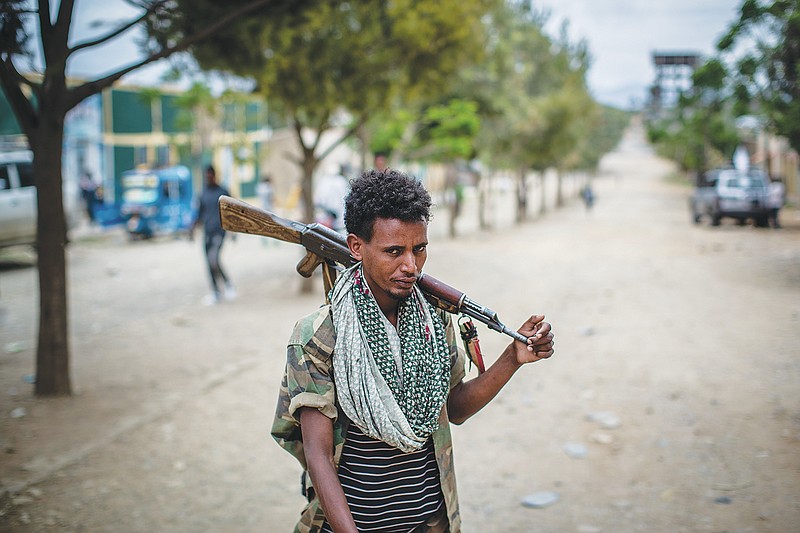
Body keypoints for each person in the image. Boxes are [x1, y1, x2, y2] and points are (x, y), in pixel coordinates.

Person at [271, 169, 555, 532]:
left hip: (429, 522)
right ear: (356, 246)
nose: (410, 266)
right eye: (394, 251)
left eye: (419, 249)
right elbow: (318, 453)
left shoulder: (433, 318)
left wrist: (513, 358)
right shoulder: (320, 335)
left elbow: (454, 408)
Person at [192, 165, 235, 305]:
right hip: (207, 232)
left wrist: (234, 231)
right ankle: (215, 291)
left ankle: (228, 284)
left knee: (213, 259)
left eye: (210, 175)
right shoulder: (203, 193)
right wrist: (192, 229)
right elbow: (199, 213)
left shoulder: (222, 192)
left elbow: (232, 212)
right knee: (208, 263)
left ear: (214, 175)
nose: (208, 178)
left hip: (219, 232)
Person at [313, 165, 350, 233]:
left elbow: (317, 201)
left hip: (332, 221)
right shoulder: (341, 181)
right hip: (337, 222)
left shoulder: (323, 181)